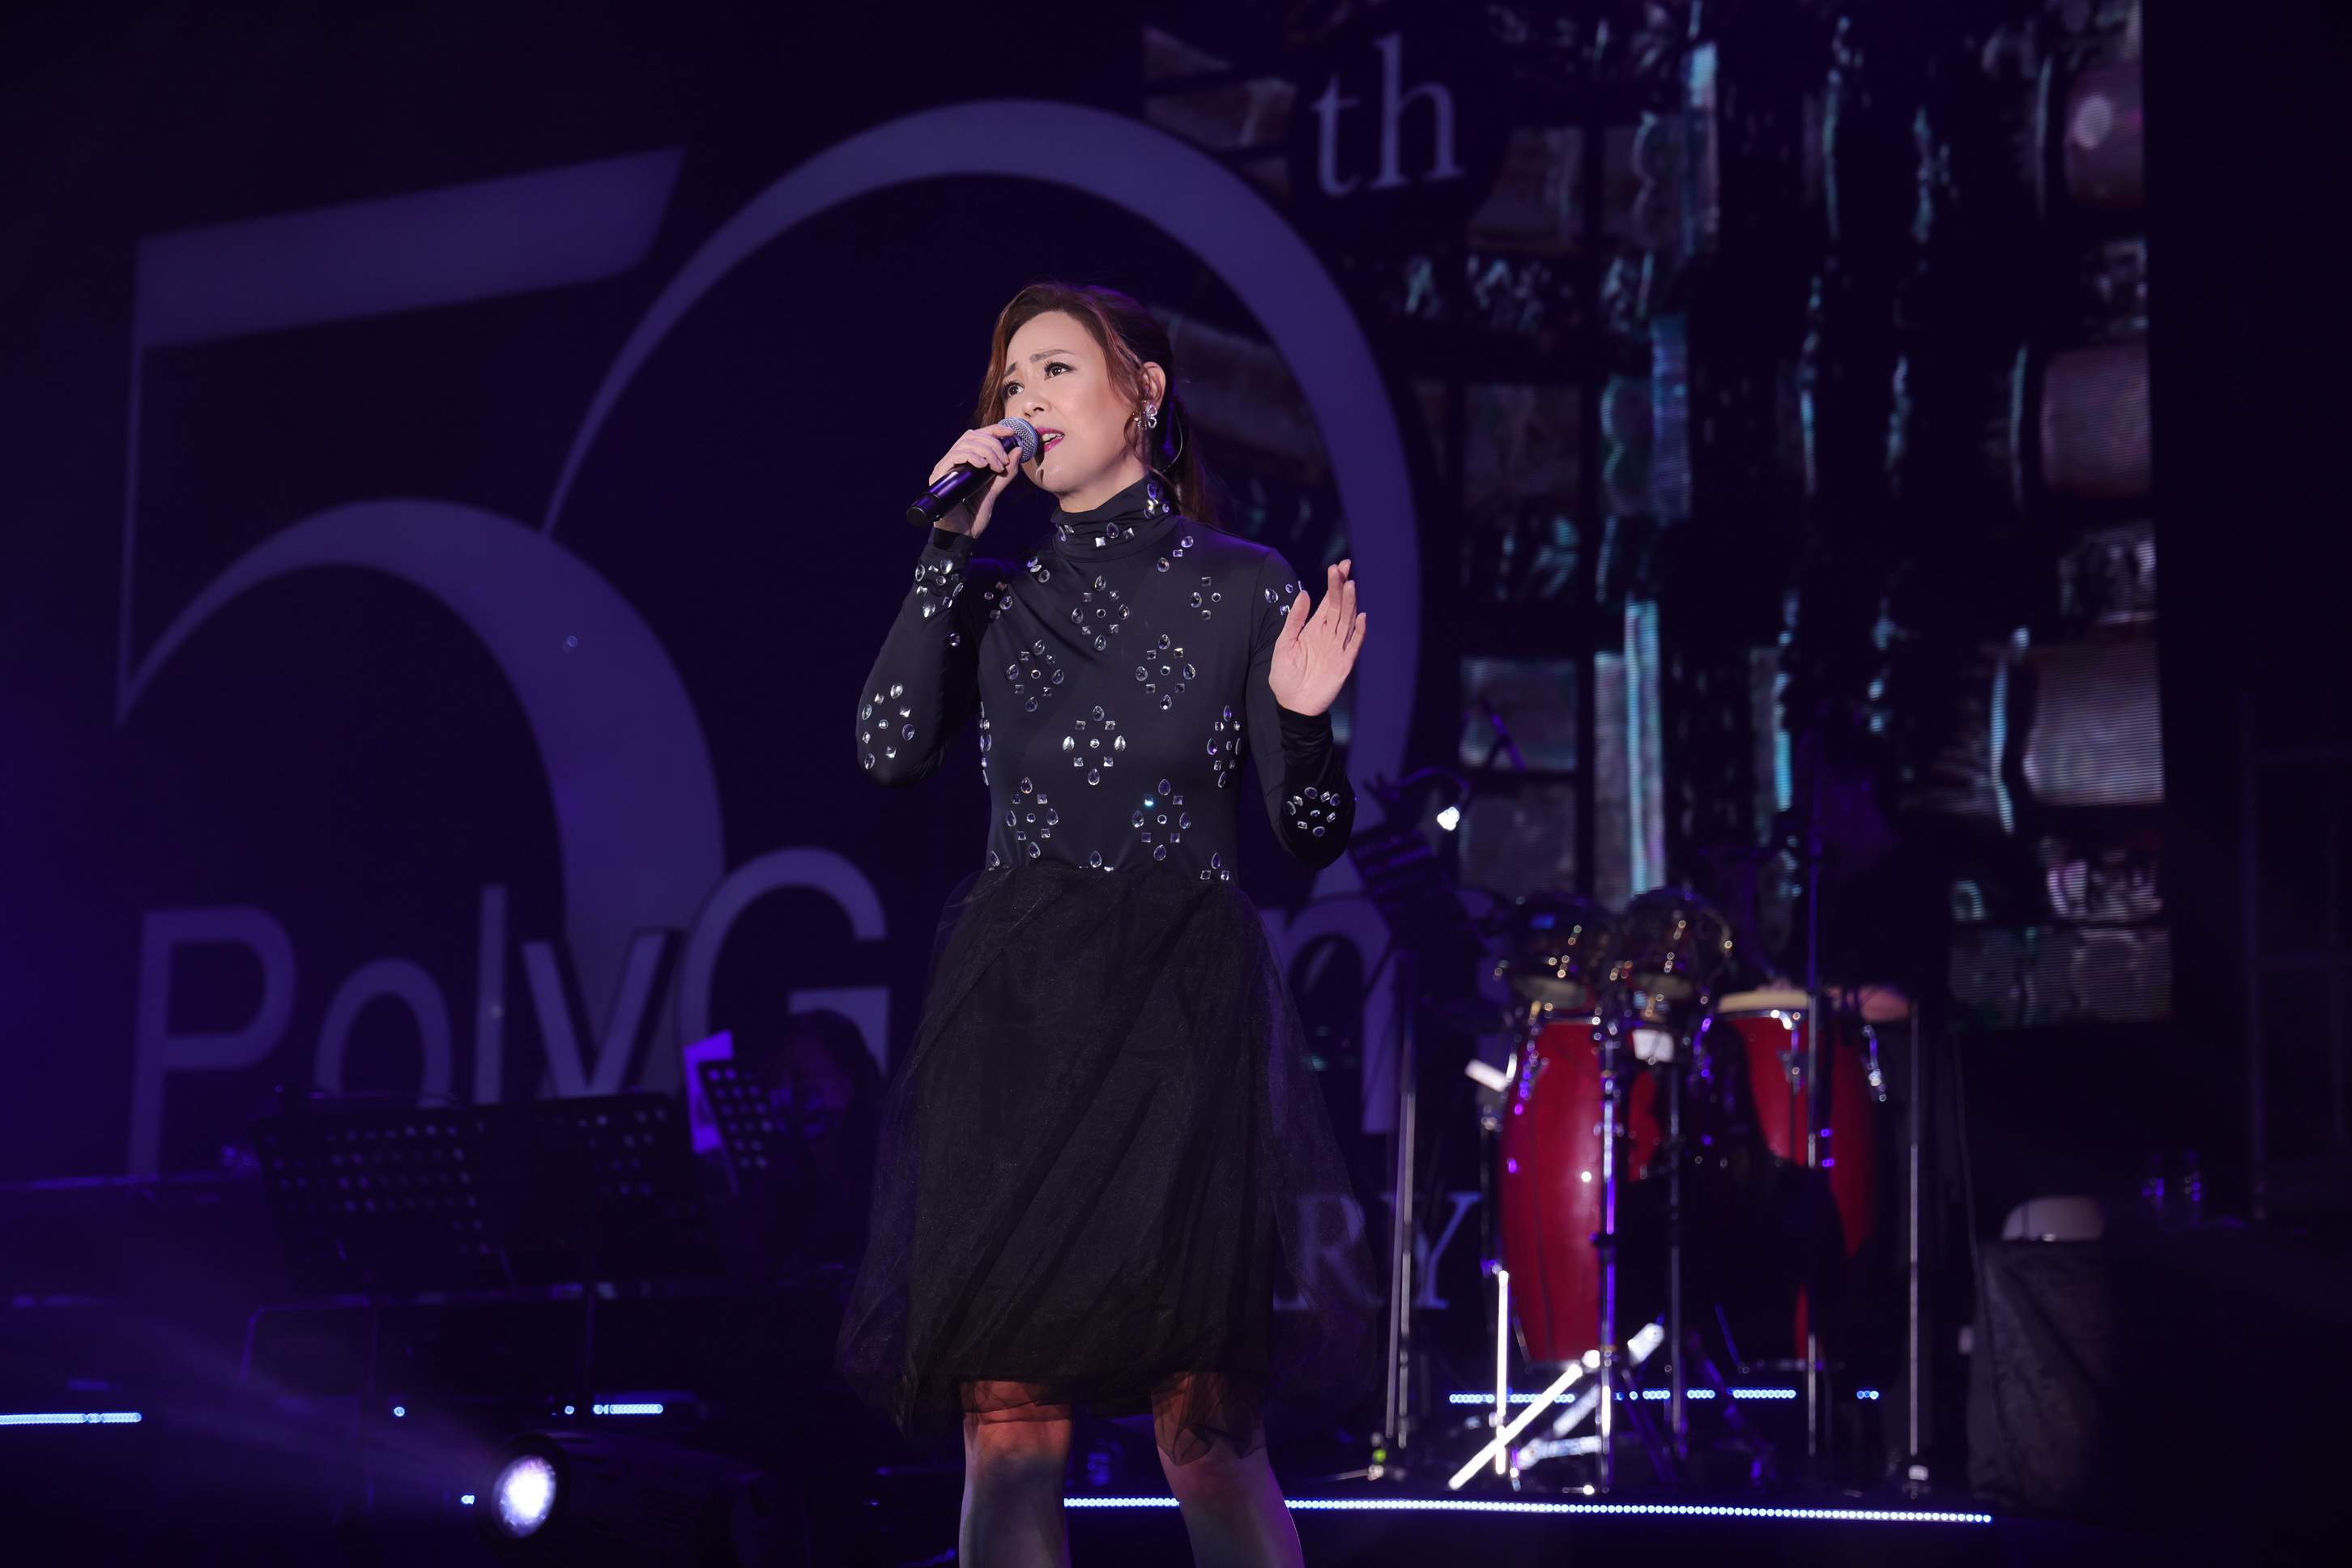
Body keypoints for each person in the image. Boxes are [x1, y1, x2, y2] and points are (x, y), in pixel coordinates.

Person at [841, 283, 1374, 1568]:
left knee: (1206, 1429)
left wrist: (1302, 722)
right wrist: (945, 545)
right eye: (1010, 383)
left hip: (1171, 1024)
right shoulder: (993, 593)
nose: (1025, 402)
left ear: (1145, 393)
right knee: (1008, 1426)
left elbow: (1309, 834)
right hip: (1014, 1017)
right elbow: (886, 748)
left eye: (1057, 371)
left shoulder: (1244, 586)